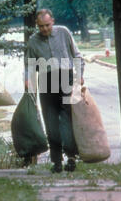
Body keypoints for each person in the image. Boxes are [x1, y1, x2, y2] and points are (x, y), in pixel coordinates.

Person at [24, 9, 85, 173]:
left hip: (66, 78)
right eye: (41, 26)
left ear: (53, 21)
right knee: (51, 123)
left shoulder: (64, 32)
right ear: (37, 25)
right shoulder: (33, 41)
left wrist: (80, 76)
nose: (44, 29)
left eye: (47, 25)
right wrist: (28, 81)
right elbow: (29, 66)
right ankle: (56, 161)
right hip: (46, 80)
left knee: (68, 120)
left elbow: (77, 55)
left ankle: (71, 158)